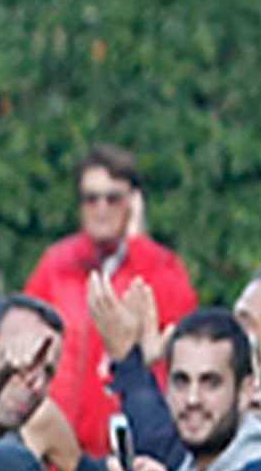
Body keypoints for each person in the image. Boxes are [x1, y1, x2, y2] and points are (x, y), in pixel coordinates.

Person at [20, 145, 192, 443]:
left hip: (132, 437)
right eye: (91, 199)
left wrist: (137, 244)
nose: (101, 209)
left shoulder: (161, 267)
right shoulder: (56, 265)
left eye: (113, 199)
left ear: (133, 203)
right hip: (59, 443)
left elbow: (181, 342)